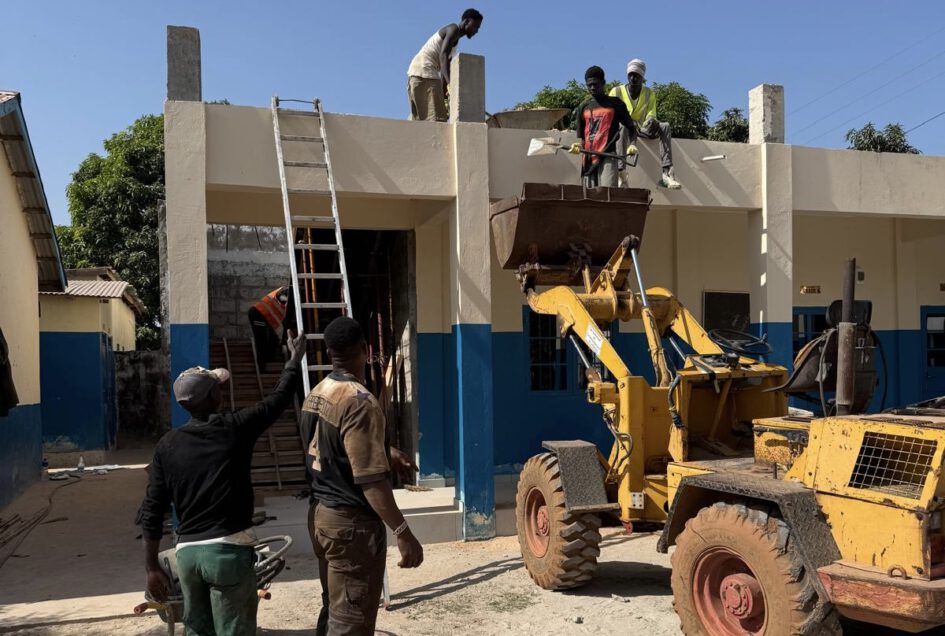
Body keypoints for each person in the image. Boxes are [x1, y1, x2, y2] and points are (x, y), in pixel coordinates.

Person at [139, 331, 305, 636]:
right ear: (214, 398)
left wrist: (151, 568)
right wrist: (294, 361)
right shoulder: (234, 429)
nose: (222, 391)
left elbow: (152, 509)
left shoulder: (166, 445)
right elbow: (278, 400)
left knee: (197, 630)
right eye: (218, 387)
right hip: (229, 551)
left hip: (187, 556)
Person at [302, 317, 423, 635]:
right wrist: (403, 532)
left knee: (334, 610)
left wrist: (384, 449)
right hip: (350, 527)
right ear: (365, 350)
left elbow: (332, 446)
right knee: (351, 624)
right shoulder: (360, 402)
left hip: (321, 518)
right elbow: (371, 482)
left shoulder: (317, 393)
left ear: (330, 352)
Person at [608, 59, 682, 189]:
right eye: (631, 75)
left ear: (642, 78)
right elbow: (609, 114)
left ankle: (667, 173)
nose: (633, 78)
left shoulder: (649, 93)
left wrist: (652, 121)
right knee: (622, 126)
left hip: (641, 128)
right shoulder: (616, 91)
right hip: (623, 129)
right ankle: (621, 173)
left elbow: (651, 113)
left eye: (636, 75)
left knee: (664, 126)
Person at [406, 8, 484, 122]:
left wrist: (445, 96)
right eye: (475, 26)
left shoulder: (454, 43)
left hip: (422, 75)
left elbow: (444, 68)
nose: (476, 30)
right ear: (466, 21)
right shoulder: (453, 29)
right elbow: (443, 56)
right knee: (436, 121)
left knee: (427, 122)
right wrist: (451, 84)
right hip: (424, 74)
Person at [571, 66, 637, 188]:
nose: (592, 88)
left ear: (603, 83)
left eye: (595, 84)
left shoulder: (616, 104)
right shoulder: (583, 107)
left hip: (608, 157)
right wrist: (579, 146)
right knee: (589, 196)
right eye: (589, 85)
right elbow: (583, 138)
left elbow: (631, 128)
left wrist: (632, 144)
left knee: (608, 194)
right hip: (588, 160)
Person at [248, 286, 295, 372]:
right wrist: (288, 301)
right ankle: (261, 366)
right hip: (258, 313)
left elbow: (285, 318)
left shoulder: (291, 296)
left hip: (265, 317)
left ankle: (269, 360)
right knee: (261, 340)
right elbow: (281, 296)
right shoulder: (286, 291)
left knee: (274, 339)